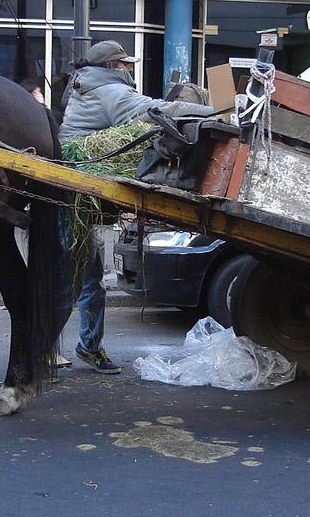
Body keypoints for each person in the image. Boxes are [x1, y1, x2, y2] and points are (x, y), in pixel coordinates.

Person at [59, 40, 215, 373]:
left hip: (75, 192)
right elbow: (155, 111)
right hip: (74, 195)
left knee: (83, 278)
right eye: (125, 64)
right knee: (77, 278)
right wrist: (218, 113)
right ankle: (53, 348)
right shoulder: (107, 92)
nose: (130, 69)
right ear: (113, 66)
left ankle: (84, 346)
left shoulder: (87, 87)